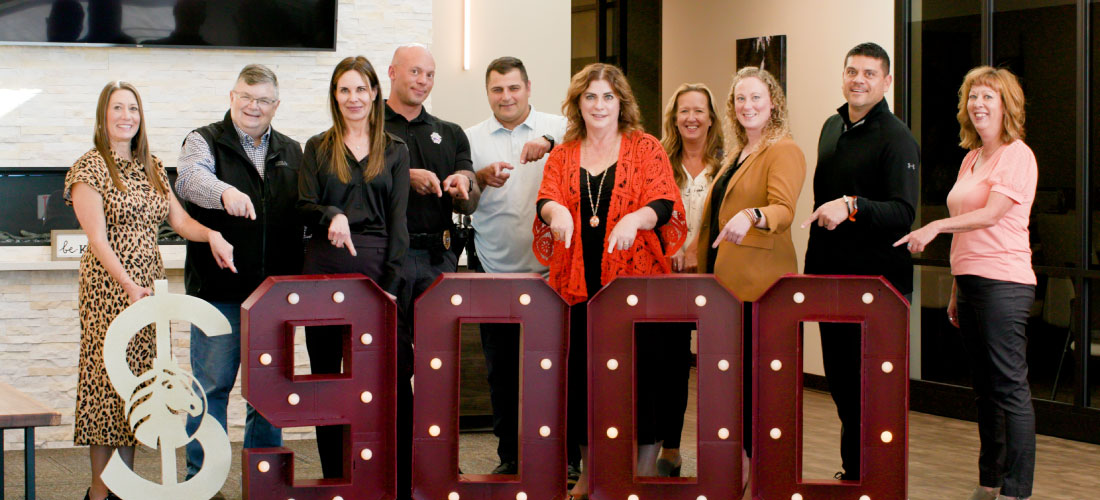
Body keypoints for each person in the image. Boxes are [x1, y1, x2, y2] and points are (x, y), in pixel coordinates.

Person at [66, 81, 235, 500]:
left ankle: (126, 489)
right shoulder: (89, 169)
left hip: (150, 287)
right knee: (106, 387)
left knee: (140, 388)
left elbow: (178, 222)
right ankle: (100, 493)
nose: (127, 116)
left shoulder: (153, 166)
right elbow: (98, 239)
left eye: (133, 109)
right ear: (103, 118)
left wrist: (211, 234)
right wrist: (128, 285)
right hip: (110, 287)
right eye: (118, 108)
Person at [534, 62, 686, 499]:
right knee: (581, 380)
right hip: (578, 288)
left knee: (644, 378)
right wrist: (556, 211)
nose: (599, 105)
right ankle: (588, 471)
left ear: (622, 103)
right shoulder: (564, 153)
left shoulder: (646, 146)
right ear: (577, 104)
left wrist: (636, 219)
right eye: (590, 97)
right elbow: (547, 199)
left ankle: (641, 469)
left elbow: (664, 201)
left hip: (636, 286)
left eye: (607, 97)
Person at [894, 66, 1036, 500]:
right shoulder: (971, 158)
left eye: (988, 97)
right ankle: (989, 481)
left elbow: (992, 214)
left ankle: (1016, 488)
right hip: (972, 281)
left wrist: (936, 225)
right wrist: (957, 287)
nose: (978, 104)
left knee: (1009, 387)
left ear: (1006, 105)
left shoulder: (1017, 155)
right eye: (973, 97)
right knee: (985, 390)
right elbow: (970, 235)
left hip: (1005, 284)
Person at [174, 63, 302, 479]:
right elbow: (189, 181)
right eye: (246, 97)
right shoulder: (203, 140)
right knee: (210, 391)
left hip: (274, 297)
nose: (253, 106)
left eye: (264, 100)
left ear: (276, 106)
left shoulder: (293, 150)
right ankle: (200, 479)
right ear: (232, 97)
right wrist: (225, 192)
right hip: (218, 293)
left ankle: (262, 480)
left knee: (268, 395)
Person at [800, 42, 920, 481]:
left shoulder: (897, 137)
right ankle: (855, 472)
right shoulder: (832, 126)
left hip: (878, 287)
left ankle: (874, 476)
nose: (859, 80)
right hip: (830, 281)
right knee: (843, 383)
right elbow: (819, 205)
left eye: (870, 73)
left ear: (886, 81)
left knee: (872, 390)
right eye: (852, 71)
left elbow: (904, 214)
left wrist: (852, 205)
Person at [298, 55, 410, 479]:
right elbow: (303, 205)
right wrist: (332, 213)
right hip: (324, 273)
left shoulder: (396, 150)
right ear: (334, 96)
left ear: (376, 93)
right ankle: (334, 477)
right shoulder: (317, 147)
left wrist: (392, 287)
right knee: (327, 379)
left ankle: (395, 479)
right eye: (344, 90)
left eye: (361, 88)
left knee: (391, 379)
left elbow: (399, 224)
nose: (353, 98)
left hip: (380, 274)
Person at [698, 66, 805, 493]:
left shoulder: (784, 150)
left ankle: (757, 471)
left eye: (756, 98)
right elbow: (717, 216)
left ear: (773, 103)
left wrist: (753, 214)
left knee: (755, 386)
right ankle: (740, 464)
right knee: (734, 383)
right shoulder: (738, 152)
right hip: (725, 286)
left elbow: (783, 210)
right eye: (741, 99)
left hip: (761, 286)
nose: (748, 106)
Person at [383, 43, 478, 499]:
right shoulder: (369, 126)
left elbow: (471, 190)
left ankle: (439, 462)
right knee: (393, 366)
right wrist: (408, 176)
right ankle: (399, 465)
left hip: (440, 260)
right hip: (390, 262)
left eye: (429, 74)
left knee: (439, 367)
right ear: (393, 73)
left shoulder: (450, 131)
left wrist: (464, 185)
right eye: (414, 72)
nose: (422, 80)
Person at [465, 56, 567, 476]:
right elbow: (462, 202)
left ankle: (565, 458)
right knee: (502, 372)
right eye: (496, 89)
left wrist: (550, 142)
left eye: (513, 88)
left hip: (553, 276)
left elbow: (594, 145)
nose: (505, 96)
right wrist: (477, 178)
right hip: (494, 273)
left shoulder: (559, 127)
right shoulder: (469, 138)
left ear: (528, 87)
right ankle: (510, 457)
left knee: (556, 370)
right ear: (488, 92)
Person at [654, 82, 725, 477]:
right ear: (673, 118)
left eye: (699, 110)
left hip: (718, 280)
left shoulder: (729, 164)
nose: (691, 118)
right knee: (672, 366)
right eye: (684, 111)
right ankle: (671, 447)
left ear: (711, 117)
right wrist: (673, 250)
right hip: (670, 278)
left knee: (720, 365)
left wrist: (698, 249)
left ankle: (724, 452)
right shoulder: (658, 161)